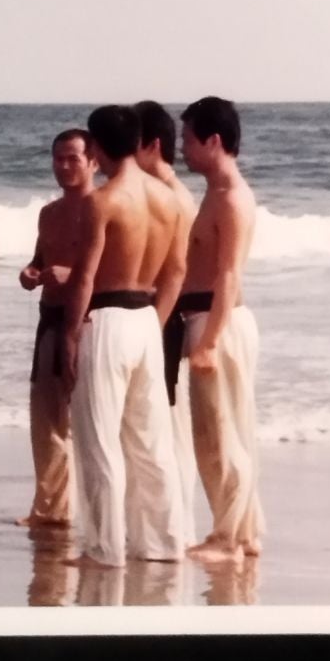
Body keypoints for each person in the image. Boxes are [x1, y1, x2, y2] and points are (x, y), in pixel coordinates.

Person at [60, 105, 187, 567]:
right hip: (147, 320)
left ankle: (104, 547)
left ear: (93, 147)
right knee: (150, 442)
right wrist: (154, 322)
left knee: (99, 441)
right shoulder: (169, 198)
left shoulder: (103, 201)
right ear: (137, 142)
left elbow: (84, 279)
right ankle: (162, 544)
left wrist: (70, 337)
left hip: (108, 319)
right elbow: (176, 272)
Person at [178, 96, 265, 561]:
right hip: (207, 319)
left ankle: (230, 537)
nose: (182, 150)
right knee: (213, 434)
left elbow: (229, 273)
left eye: (188, 140)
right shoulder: (214, 192)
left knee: (224, 432)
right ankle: (241, 533)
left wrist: (209, 341)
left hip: (220, 323)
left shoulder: (231, 197)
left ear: (214, 140)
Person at [17, 128, 94, 526]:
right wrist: (31, 273)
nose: (64, 166)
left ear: (93, 160)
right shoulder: (49, 213)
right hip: (50, 320)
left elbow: (120, 270)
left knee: (91, 420)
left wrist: (74, 274)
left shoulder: (104, 208)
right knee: (46, 419)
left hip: (90, 320)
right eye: (58, 158)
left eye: (73, 159)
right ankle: (50, 509)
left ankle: (96, 512)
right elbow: (39, 258)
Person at [134, 99, 200, 535]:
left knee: (168, 427)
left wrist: (150, 328)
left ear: (151, 145)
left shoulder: (172, 198)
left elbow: (177, 273)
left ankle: (174, 524)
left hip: (168, 320)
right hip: (164, 318)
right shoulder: (161, 193)